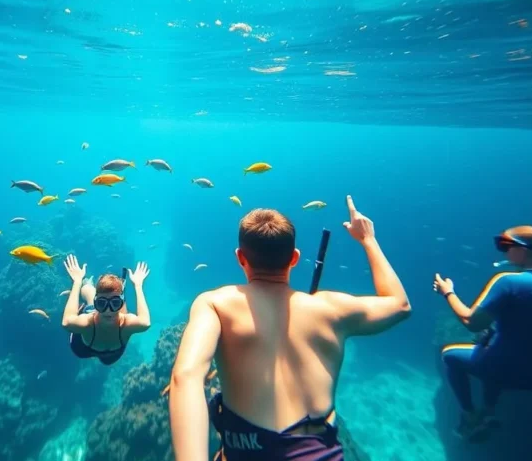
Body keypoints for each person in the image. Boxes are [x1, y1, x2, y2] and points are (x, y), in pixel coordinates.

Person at [169, 197, 411, 461]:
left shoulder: (215, 303)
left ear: (240, 258)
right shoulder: (331, 309)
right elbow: (399, 305)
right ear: (294, 258)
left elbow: (187, 377)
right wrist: (368, 240)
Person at [433, 224, 532, 441]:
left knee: (450, 356)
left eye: (505, 245)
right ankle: (488, 411)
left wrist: (447, 292)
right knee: (492, 346)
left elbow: (471, 322)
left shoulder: (508, 282)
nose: (503, 251)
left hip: (502, 369)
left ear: (522, 249)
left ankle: (470, 415)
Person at [61, 255, 151, 365]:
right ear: (96, 303)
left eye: (115, 303)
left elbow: (146, 323)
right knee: (89, 292)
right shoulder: (88, 323)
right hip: (82, 349)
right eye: (101, 303)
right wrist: (77, 282)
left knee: (107, 361)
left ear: (120, 303)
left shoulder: (125, 323)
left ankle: (116, 289)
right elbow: (66, 322)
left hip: (111, 355)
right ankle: (87, 285)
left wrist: (138, 285)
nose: (108, 310)